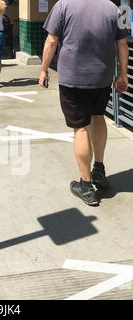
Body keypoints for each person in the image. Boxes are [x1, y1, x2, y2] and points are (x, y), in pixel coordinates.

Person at [39, 0, 128, 206]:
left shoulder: (63, 5)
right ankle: (99, 169)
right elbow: (122, 43)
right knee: (98, 117)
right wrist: (123, 75)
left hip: (73, 79)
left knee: (80, 128)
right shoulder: (113, 8)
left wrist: (44, 69)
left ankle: (86, 185)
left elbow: (51, 40)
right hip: (102, 78)